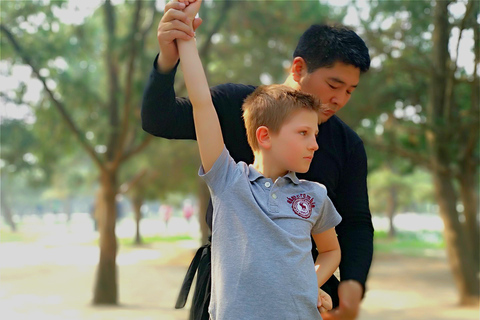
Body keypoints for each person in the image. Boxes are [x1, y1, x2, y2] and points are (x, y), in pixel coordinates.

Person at [142, 1, 374, 319]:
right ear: (298, 68)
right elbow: (169, 115)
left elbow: (355, 224)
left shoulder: (343, 150)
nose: (340, 99)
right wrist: (173, 54)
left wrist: (349, 284)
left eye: (351, 91)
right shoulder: (239, 116)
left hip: (304, 298)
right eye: (334, 85)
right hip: (230, 293)